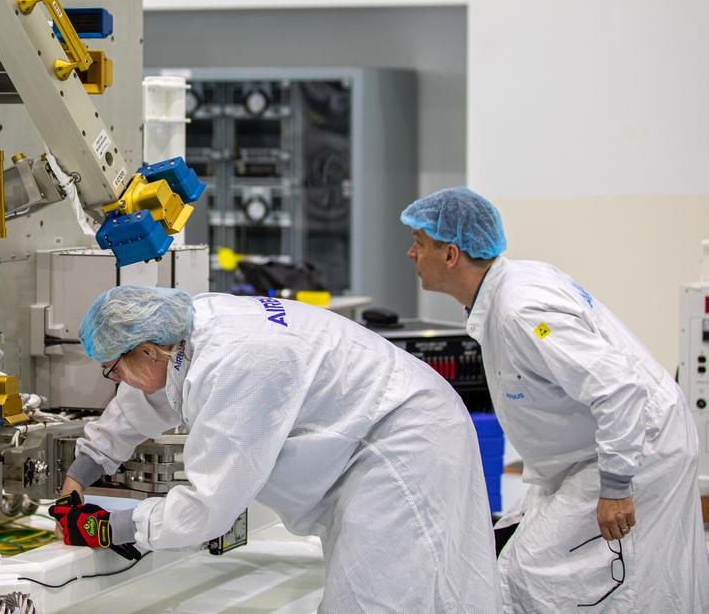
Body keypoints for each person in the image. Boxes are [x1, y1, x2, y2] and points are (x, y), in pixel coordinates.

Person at [55, 285, 500, 613]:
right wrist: (82, 472)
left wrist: (112, 527)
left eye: (113, 370)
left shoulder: (235, 363)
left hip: (400, 445)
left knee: (380, 601)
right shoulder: (191, 326)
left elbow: (209, 508)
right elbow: (145, 399)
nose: (116, 382)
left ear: (149, 350)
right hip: (385, 431)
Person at [401, 187, 709, 611]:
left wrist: (616, 486)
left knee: (532, 574)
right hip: (595, 451)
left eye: (419, 243)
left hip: (635, 446)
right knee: (542, 561)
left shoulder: (523, 311)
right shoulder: (511, 288)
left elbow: (617, 387)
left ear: (451, 254)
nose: (410, 254)